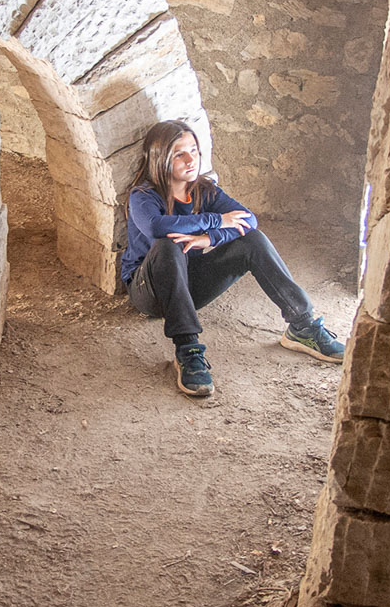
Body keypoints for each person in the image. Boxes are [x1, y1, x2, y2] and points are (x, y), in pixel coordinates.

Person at [121, 119, 345, 398]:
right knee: (168, 244)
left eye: (194, 149)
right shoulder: (143, 195)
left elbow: (248, 220)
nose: (191, 159)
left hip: (189, 286)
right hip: (150, 291)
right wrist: (216, 220)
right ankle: (188, 350)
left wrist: (210, 238)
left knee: (253, 240)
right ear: (160, 158)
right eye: (180, 153)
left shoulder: (204, 189)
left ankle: (302, 325)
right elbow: (157, 227)